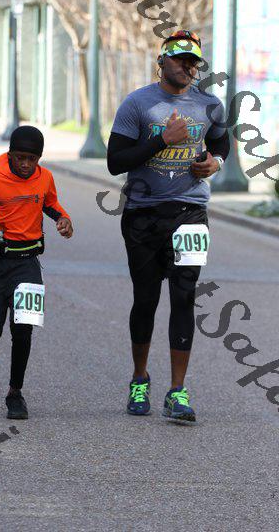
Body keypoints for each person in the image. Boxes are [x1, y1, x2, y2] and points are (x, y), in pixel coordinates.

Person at [107, 30, 230, 422]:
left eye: (193, 62)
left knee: (184, 296)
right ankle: (139, 378)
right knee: (146, 299)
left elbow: (221, 143)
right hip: (143, 214)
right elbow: (115, 161)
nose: (187, 68)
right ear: (161, 61)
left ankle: (177, 391)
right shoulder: (138, 103)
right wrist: (163, 139)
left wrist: (215, 163)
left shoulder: (210, 105)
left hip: (191, 212)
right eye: (180, 60)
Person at [0, 125, 73, 420]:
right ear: (10, 154)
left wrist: (64, 218)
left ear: (39, 158)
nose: (25, 164)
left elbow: (50, 203)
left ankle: (15, 393)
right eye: (20, 157)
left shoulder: (45, 177)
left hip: (27, 263)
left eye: (32, 159)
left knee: (23, 330)